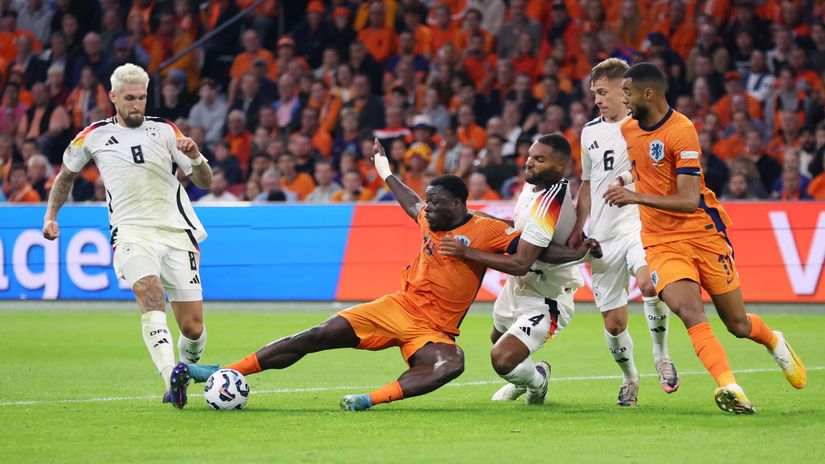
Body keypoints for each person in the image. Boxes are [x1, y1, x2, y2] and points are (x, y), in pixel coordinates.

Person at [171, 138, 572, 412]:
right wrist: (384, 170)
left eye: (435, 203)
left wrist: (576, 252)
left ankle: (371, 399)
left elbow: (534, 250)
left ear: (458, 204)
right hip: (397, 307)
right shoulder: (428, 217)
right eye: (428, 202)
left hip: (434, 330)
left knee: (452, 363)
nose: (427, 209)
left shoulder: (487, 230)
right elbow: (409, 201)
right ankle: (227, 371)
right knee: (316, 335)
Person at [604, 63, 807, 414]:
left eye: (628, 92)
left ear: (648, 93)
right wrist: (625, 179)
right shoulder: (628, 129)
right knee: (688, 309)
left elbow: (687, 199)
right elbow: (644, 166)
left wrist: (634, 197)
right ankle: (730, 387)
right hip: (660, 241)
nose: (624, 99)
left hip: (702, 233)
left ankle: (774, 341)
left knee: (738, 324)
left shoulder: (682, 130)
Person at [41, 63, 214, 409]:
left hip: (177, 232)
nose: (137, 105)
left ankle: (185, 369)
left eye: (142, 98)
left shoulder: (165, 130)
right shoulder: (93, 136)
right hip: (131, 231)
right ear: (113, 97)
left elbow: (204, 181)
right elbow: (65, 177)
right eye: (130, 98)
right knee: (150, 292)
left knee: (193, 328)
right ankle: (170, 377)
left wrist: (195, 158)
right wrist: (50, 216)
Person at [440, 134, 602, 406]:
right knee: (497, 337)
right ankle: (523, 378)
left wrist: (466, 252)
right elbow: (520, 232)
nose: (529, 163)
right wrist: (484, 220)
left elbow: (521, 262)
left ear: (560, 166)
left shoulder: (551, 200)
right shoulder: (531, 187)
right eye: (530, 156)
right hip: (521, 286)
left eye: (539, 159)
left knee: (503, 358)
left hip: (547, 296)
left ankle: (537, 381)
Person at [572, 58, 679, 407]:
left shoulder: (644, 126)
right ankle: (630, 377)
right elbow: (586, 184)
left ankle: (661, 355)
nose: (597, 100)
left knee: (650, 284)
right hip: (602, 236)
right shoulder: (589, 132)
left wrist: (628, 180)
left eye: (603, 92)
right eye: (594, 93)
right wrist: (579, 228)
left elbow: (659, 171)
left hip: (637, 225)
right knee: (615, 324)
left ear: (624, 90)